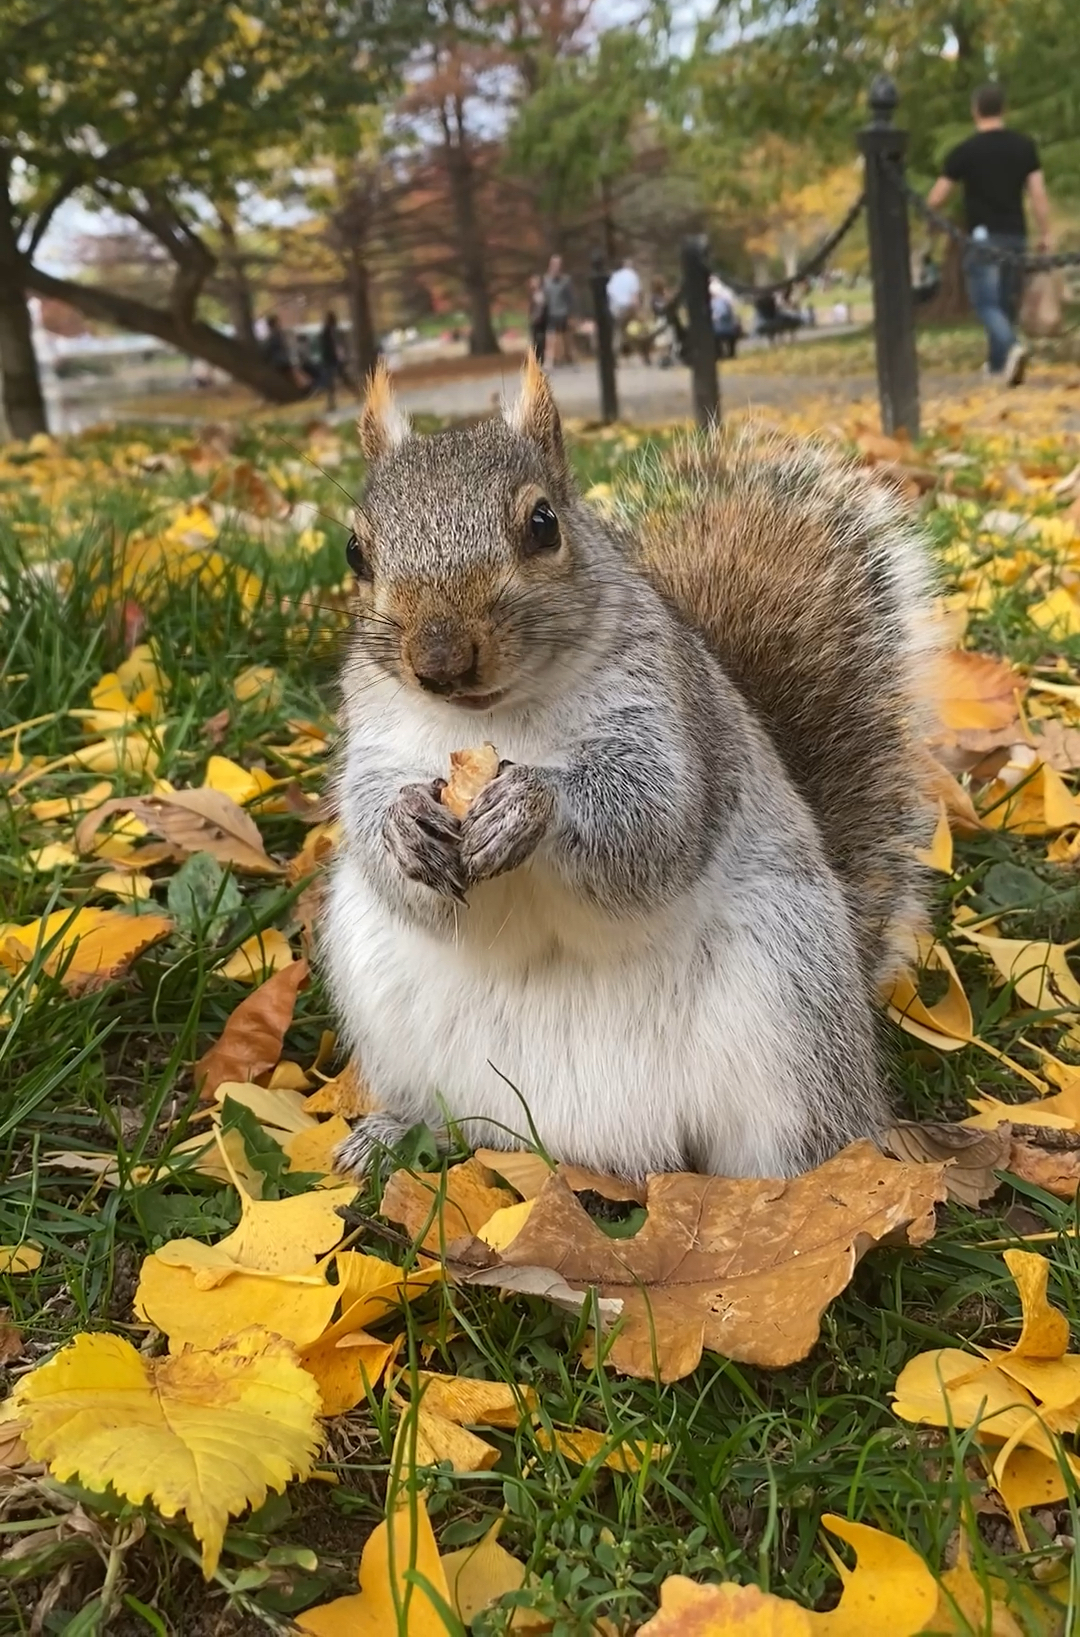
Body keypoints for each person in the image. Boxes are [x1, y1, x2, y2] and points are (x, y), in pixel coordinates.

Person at [327, 358, 934, 1182]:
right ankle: (425, 1109)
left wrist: (552, 807)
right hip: (489, 1031)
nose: (441, 656)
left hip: (681, 990)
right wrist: (405, 840)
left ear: (561, 516)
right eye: (369, 566)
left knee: (782, 909)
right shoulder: (379, 683)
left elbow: (651, 872)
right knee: (362, 891)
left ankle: (790, 1169)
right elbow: (417, 906)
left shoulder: (629, 648)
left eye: (536, 535)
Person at [927, 84, 1051, 388]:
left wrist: (930, 215)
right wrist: (1046, 233)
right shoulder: (1024, 146)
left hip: (983, 237)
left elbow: (938, 196)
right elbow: (1038, 194)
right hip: (1015, 236)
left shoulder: (965, 151)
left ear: (975, 110)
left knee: (985, 303)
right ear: (1003, 110)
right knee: (1005, 304)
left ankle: (1011, 347)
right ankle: (998, 369)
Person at [542, 255, 575, 367]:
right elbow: (544, 297)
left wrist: (571, 315)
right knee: (550, 338)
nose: (556, 267)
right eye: (554, 264)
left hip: (564, 312)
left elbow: (570, 298)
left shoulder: (566, 280)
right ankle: (549, 361)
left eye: (558, 265)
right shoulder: (546, 280)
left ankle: (569, 358)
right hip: (551, 313)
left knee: (567, 338)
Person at [606, 257, 642, 356]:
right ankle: (634, 349)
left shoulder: (615, 275)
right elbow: (635, 296)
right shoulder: (633, 275)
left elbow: (609, 291)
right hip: (627, 306)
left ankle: (616, 351)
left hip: (614, 306)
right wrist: (638, 311)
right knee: (633, 328)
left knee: (617, 329)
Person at [317, 309, 346, 411]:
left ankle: (331, 404)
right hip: (332, 359)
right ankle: (331, 404)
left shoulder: (328, 331)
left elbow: (328, 346)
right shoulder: (333, 330)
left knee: (334, 381)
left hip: (330, 359)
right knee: (336, 380)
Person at [526, 275, 547, 368]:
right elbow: (531, 309)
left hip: (543, 320)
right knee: (535, 341)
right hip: (535, 321)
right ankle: (536, 360)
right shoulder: (532, 295)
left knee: (542, 340)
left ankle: (543, 359)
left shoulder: (543, 294)